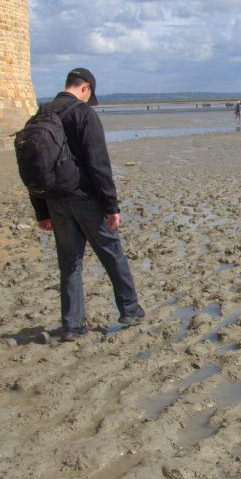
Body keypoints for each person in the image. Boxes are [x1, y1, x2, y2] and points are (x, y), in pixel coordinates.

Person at [30, 68, 144, 342]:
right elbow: (98, 164)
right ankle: (130, 310)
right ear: (86, 88)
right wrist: (111, 206)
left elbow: (34, 168)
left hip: (54, 200)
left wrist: (41, 210)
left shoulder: (40, 115)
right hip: (86, 200)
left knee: (70, 264)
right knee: (112, 253)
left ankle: (72, 325)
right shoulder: (84, 114)